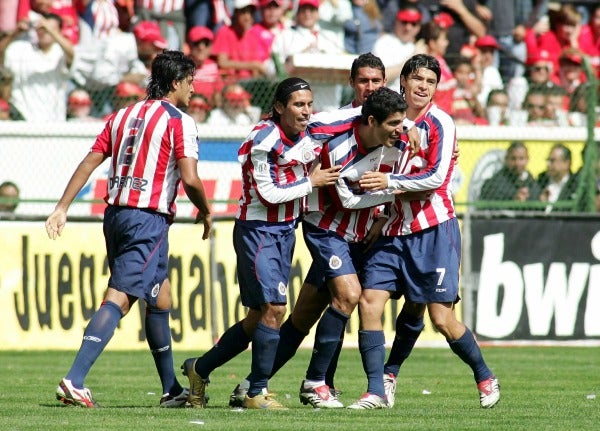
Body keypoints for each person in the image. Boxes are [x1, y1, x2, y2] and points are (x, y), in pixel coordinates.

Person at [225, 53, 421, 409]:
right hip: (325, 228)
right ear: (353, 84)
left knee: (302, 317)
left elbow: (401, 160)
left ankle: (252, 386)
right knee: (347, 296)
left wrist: (383, 206)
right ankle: (316, 383)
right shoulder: (334, 131)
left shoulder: (397, 134)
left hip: (360, 234)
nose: (371, 87)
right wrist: (388, 188)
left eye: (377, 81)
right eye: (364, 81)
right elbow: (339, 190)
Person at [45, 50, 213, 408]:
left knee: (160, 295)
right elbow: (190, 177)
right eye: (189, 81)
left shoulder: (122, 115)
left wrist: (62, 207)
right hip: (146, 219)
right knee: (119, 297)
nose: (193, 87)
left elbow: (90, 160)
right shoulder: (179, 121)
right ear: (174, 83)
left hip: (116, 215)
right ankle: (74, 380)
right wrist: (207, 210)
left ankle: (170, 388)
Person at [181, 77, 360, 410]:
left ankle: (200, 368)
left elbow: (352, 115)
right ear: (279, 107)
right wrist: (312, 180)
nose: (306, 111)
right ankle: (255, 392)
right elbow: (268, 194)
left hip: (284, 233)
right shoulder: (263, 139)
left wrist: (406, 117)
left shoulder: (312, 129)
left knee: (258, 318)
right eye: (298, 105)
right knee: (275, 309)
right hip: (258, 231)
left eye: (309, 104)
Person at [348, 53, 500, 410]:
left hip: (434, 229)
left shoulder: (442, 123)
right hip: (394, 228)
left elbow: (435, 179)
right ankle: (376, 389)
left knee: (440, 318)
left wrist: (389, 180)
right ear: (402, 81)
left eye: (430, 82)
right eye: (417, 79)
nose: (423, 86)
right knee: (369, 301)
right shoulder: (389, 118)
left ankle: (484, 374)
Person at [3, 12, 74, 121]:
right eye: (42, 28)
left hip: (54, 120)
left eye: (50, 29)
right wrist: (15, 33)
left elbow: (72, 54)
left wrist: (50, 30)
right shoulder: (21, 48)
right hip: (23, 118)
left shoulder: (60, 52)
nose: (45, 31)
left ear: (59, 32)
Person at [478, 141, 541, 206]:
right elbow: (489, 204)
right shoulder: (495, 183)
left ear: (527, 159)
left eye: (521, 159)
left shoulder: (532, 183)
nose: (517, 163)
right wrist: (512, 200)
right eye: (513, 159)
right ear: (507, 159)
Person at [538, 143, 579, 213]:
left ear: (566, 163)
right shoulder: (541, 181)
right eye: (548, 160)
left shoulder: (575, 185)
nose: (548, 164)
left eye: (552, 161)